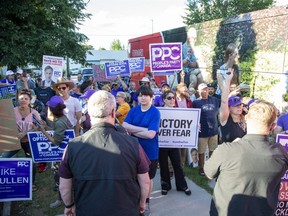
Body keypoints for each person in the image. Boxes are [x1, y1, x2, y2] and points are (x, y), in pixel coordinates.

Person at [58, 90, 150, 216]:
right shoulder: (133, 144)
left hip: (87, 210)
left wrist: (69, 205)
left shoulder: (72, 147)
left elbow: (64, 187)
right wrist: (142, 202)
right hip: (127, 210)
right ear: (113, 113)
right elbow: (145, 182)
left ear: (89, 113)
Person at [204, 99, 288, 216]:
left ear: (247, 119)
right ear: (273, 126)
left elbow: (208, 173)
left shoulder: (226, 150)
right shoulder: (281, 153)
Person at [123, 85, 161, 216]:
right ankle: (136, 200)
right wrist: (144, 129)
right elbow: (124, 126)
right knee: (134, 177)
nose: (142, 97)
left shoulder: (155, 112)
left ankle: (146, 201)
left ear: (151, 97)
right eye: (140, 95)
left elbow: (151, 135)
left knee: (148, 178)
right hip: (134, 150)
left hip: (150, 151)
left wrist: (134, 130)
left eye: (145, 95)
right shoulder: (134, 110)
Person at [36, 96, 73, 208]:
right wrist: (46, 126)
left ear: (51, 109)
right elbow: (57, 131)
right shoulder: (62, 118)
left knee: (59, 177)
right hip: (67, 153)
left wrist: (42, 131)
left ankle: (63, 200)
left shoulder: (60, 122)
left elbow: (56, 141)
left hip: (63, 155)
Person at [158, 90, 191, 196]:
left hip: (174, 144)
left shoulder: (179, 111)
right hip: (162, 144)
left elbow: (186, 124)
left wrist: (195, 126)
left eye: (173, 98)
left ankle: (182, 186)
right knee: (163, 166)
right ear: (164, 100)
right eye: (169, 98)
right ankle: (165, 186)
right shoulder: (158, 112)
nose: (172, 100)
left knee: (178, 165)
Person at [14, 88, 42, 192]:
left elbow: (38, 127)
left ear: (30, 101)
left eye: (26, 98)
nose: (23, 100)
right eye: (21, 98)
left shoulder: (34, 113)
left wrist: (25, 133)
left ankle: (32, 183)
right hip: (15, 140)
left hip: (28, 141)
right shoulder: (13, 111)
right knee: (4, 158)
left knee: (31, 161)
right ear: (18, 100)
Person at [193, 83, 220, 176]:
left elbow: (224, 104)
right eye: (202, 90)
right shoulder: (196, 102)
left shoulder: (215, 100)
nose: (204, 91)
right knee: (201, 151)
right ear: (198, 91)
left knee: (213, 149)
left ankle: (211, 167)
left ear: (208, 90)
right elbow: (193, 116)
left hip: (214, 130)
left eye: (206, 89)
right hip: (202, 131)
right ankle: (201, 167)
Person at [218, 69, 246, 143]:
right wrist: (228, 80)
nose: (239, 107)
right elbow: (224, 102)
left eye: (240, 105)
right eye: (236, 105)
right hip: (229, 152)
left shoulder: (244, 119)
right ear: (229, 108)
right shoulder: (225, 119)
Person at [174, 83, 193, 167]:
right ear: (178, 90)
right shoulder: (172, 99)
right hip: (174, 128)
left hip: (185, 129)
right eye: (184, 90)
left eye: (186, 90)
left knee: (183, 149)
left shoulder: (188, 101)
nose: (186, 91)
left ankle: (181, 167)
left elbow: (192, 113)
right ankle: (171, 169)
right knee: (174, 150)